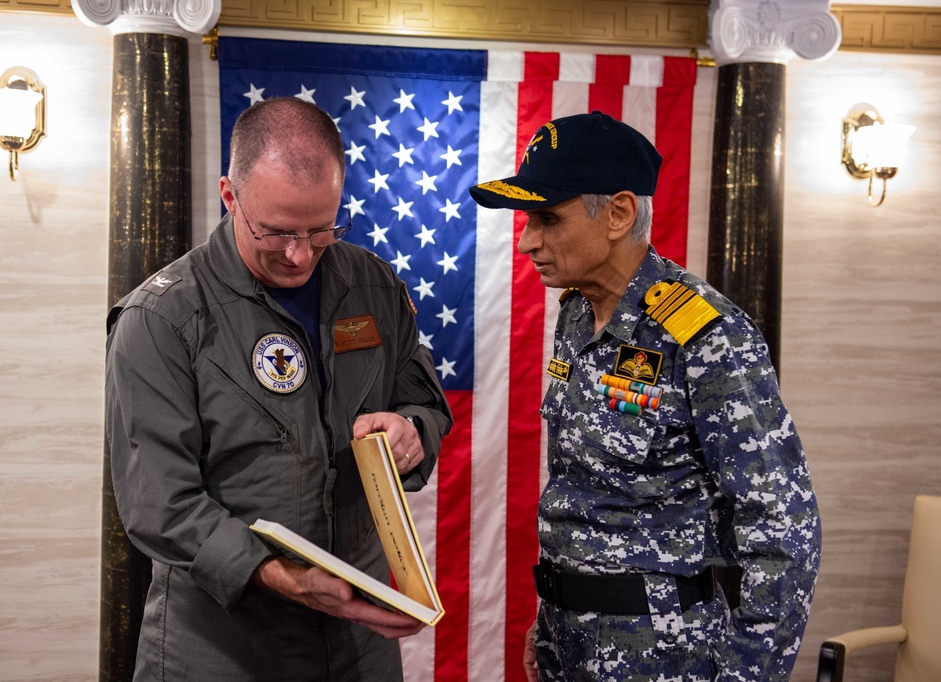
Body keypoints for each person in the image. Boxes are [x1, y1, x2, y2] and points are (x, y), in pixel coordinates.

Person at [105, 97, 453, 681]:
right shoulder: (162, 318)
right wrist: (282, 577)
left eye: (321, 230)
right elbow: (158, 503)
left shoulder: (372, 284)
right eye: (277, 232)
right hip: (221, 643)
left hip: (356, 639)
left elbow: (423, 400)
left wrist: (412, 432)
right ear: (230, 195)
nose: (299, 254)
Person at [469, 112, 820, 682]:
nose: (527, 240)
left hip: (661, 655)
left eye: (546, 218)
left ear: (618, 213)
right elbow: (585, 491)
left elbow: (782, 526)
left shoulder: (707, 336)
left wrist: (747, 675)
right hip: (570, 640)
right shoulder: (577, 314)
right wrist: (554, 617)